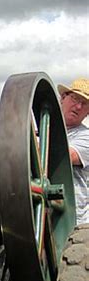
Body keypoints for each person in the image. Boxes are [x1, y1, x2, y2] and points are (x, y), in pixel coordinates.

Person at [58, 78, 89, 225]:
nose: (78, 106)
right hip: (42, 220)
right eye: (75, 99)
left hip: (76, 224)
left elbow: (65, 157)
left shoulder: (86, 137)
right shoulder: (40, 134)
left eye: (84, 104)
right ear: (63, 98)